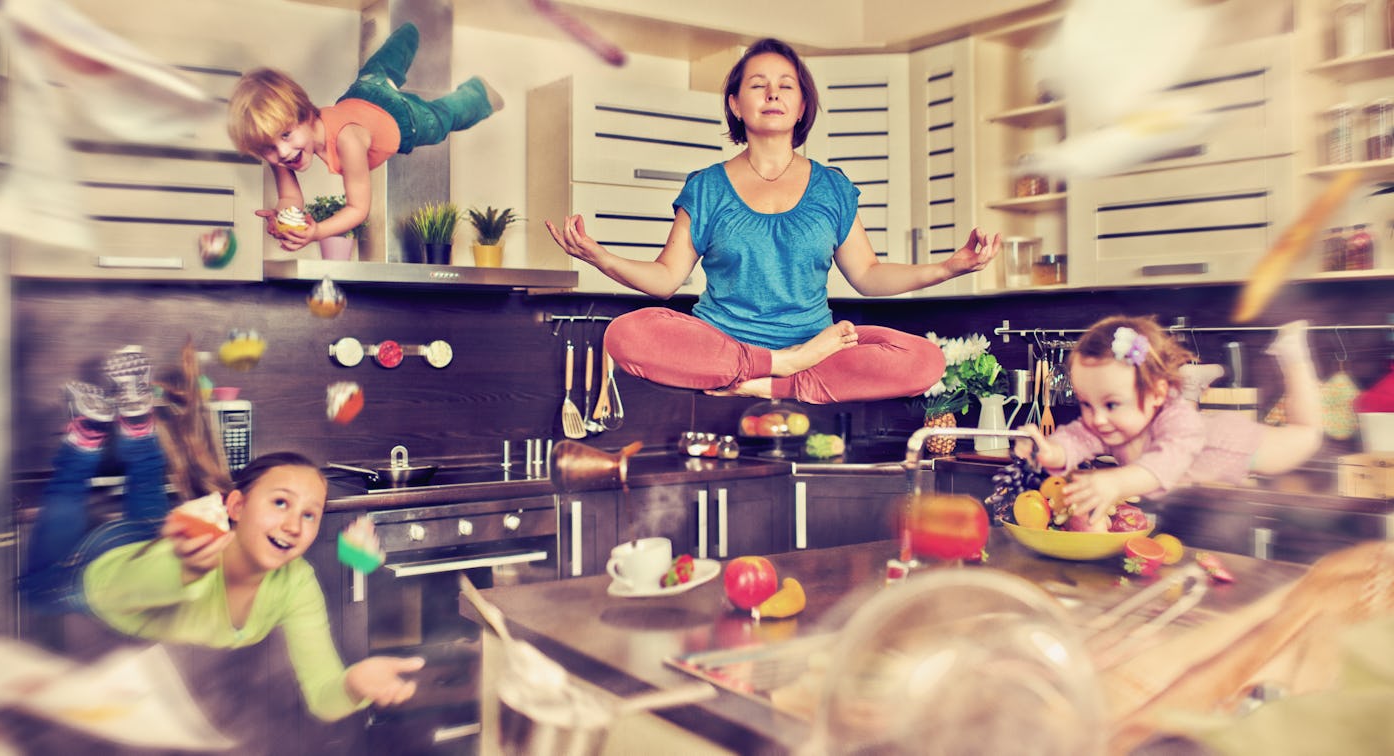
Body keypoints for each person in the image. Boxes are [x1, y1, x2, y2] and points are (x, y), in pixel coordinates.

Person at [544, 38, 1001, 404]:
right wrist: (599, 256)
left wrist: (948, 268)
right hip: (723, 342)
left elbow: (868, 276)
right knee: (626, 333)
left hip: (816, 348)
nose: (772, 93)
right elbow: (666, 280)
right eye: (758, 84)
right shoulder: (706, 186)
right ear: (736, 104)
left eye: (786, 85)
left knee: (923, 360)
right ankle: (774, 365)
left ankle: (775, 379)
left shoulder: (832, 187)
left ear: (802, 106)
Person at [20, 348, 422, 722]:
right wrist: (187, 567)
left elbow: (322, 695)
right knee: (39, 587)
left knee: (146, 508)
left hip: (150, 543)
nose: (294, 525)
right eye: (280, 503)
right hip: (98, 569)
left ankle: (137, 418)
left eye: (310, 514)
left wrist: (352, 685)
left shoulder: (295, 582)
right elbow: (121, 588)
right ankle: (85, 438)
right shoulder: (198, 551)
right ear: (236, 508)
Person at [1014, 315, 1322, 530]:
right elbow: (1075, 439)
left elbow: (1166, 463)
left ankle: (1293, 354)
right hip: (1182, 432)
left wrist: (1116, 481)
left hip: (1234, 443)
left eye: (1110, 403)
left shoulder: (1179, 424)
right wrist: (1047, 450)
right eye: (1086, 403)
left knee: (1306, 434)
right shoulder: (1107, 420)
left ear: (1156, 393)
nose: (1096, 418)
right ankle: (1189, 383)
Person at [227, 22, 503, 251]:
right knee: (384, 65)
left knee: (442, 118)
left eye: (286, 135)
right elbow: (290, 198)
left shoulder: (348, 140)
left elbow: (358, 208)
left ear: (306, 114)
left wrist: (317, 231)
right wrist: (285, 217)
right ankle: (409, 32)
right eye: (268, 149)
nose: (282, 153)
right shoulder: (281, 152)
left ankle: (479, 94)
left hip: (402, 119)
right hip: (365, 90)